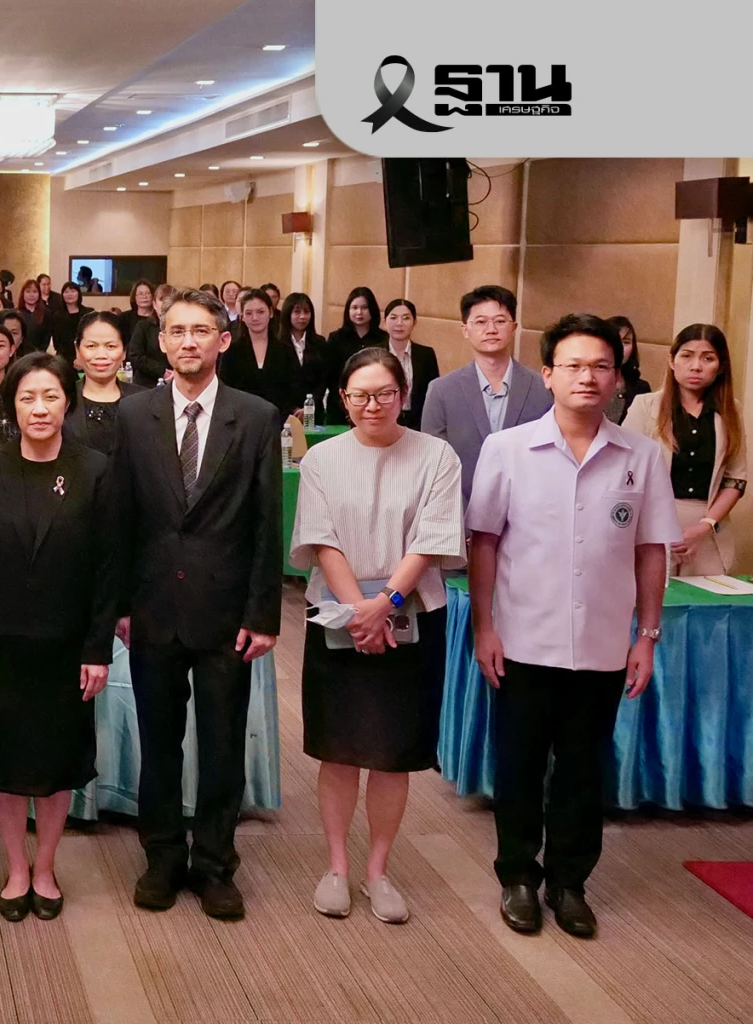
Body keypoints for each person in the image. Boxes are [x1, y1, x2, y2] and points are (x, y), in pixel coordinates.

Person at [467, 313, 679, 939]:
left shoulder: (643, 455)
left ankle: (569, 882)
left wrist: (647, 635)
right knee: (519, 765)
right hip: (523, 640)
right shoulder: (508, 449)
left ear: (617, 377)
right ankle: (517, 877)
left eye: (601, 366)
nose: (588, 377)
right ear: (549, 374)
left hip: (603, 644)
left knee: (584, 769)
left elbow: (651, 549)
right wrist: (484, 627)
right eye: (574, 365)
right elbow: (484, 543)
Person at [113, 289, 281, 921]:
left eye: (201, 331)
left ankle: (214, 863)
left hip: (226, 614)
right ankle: (161, 856)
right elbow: (119, 517)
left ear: (223, 340)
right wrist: (119, 605)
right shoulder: (133, 415)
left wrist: (262, 614)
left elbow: (266, 522)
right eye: (177, 331)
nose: (188, 341)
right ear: (161, 341)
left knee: (221, 744)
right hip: (152, 607)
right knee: (158, 742)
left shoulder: (256, 417)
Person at [291, 348, 464, 925]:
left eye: (385, 393)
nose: (373, 405)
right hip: (339, 616)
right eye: (360, 395)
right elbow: (321, 539)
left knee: (393, 754)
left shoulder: (436, 455)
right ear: (343, 399)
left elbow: (431, 539)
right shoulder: (322, 457)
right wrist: (357, 612)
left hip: (411, 614)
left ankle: (378, 871)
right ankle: (337, 867)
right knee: (339, 749)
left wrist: (384, 605)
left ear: (403, 395)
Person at [0, 352, 118, 923]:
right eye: (27, 397)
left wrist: (97, 647)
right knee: (5, 763)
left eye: (50, 396)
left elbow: (107, 568)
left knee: (56, 765)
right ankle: (15, 868)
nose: (40, 408)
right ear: (12, 406)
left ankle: (45, 866)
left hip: (66, 646)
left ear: (67, 401)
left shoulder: (95, 469)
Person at [622, 323, 746, 575]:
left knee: (707, 598)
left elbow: (736, 479)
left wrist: (704, 527)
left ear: (721, 366)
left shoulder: (731, 410)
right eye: (687, 356)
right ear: (672, 360)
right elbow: (625, 472)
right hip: (652, 525)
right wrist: (657, 527)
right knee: (654, 596)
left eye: (708, 358)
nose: (696, 366)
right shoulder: (645, 406)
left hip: (708, 528)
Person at [420, 285, 555, 500]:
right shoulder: (441, 391)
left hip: (527, 509)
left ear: (514, 327)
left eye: (500, 321)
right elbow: (431, 462)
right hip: (460, 509)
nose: (491, 329)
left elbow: (552, 458)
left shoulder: (543, 388)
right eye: (481, 322)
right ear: (465, 330)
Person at [219, 288, 301, 418]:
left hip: (279, 419)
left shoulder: (285, 349)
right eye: (249, 313)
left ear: (271, 312)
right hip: (241, 419)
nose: (255, 318)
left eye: (261, 312)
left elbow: (295, 386)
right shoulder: (232, 350)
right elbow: (224, 388)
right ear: (242, 317)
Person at [67, 311, 140, 455]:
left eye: (111, 346)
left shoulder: (144, 401)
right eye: (91, 346)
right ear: (77, 349)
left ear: (124, 351)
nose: (101, 355)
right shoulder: (64, 400)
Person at [324, 287, 388, 420]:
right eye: (354, 308)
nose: (359, 312)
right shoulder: (336, 338)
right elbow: (329, 376)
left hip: (372, 405)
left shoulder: (383, 339)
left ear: (372, 310)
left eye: (364, 308)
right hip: (339, 406)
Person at [381, 300, 439, 429]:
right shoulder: (374, 353)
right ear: (384, 322)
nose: (399, 323)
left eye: (406, 318)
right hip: (383, 421)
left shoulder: (426, 354)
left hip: (417, 424)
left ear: (414, 322)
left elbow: (432, 394)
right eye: (393, 317)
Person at [281, 292, 326, 423]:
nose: (302, 316)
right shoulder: (277, 344)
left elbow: (323, 380)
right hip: (285, 413)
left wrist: (309, 406)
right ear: (287, 313)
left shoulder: (319, 342)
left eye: (306, 312)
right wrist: (292, 409)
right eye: (297, 312)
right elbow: (276, 383)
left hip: (314, 412)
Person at [606, 316, 653, 424]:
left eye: (626, 342)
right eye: (614, 341)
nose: (620, 348)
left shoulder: (641, 388)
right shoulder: (588, 381)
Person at [43, 282, 92, 366]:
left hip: (86, 356)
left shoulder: (88, 313)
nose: (69, 294)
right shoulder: (56, 315)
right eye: (66, 292)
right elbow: (57, 342)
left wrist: (81, 358)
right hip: (64, 358)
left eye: (72, 291)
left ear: (78, 293)